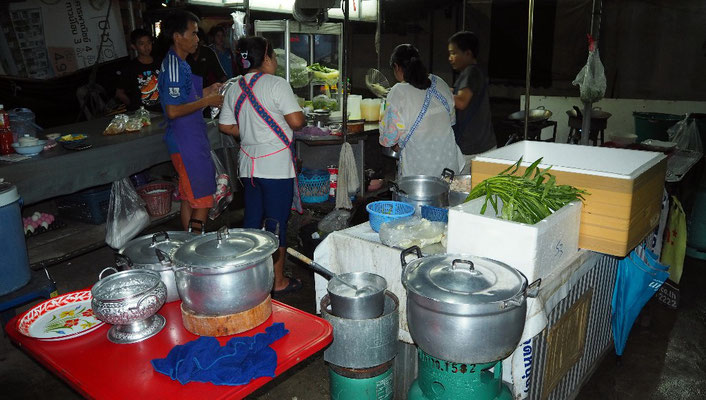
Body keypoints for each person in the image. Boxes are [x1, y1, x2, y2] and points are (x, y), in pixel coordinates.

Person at [218, 37, 305, 295]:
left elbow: (224, 125)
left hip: (248, 168)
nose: (276, 61)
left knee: (252, 223)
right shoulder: (277, 84)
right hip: (276, 167)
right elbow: (297, 121)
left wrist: (249, 133)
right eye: (275, 56)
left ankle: (250, 281)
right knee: (277, 223)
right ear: (266, 58)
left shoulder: (235, 87)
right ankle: (277, 282)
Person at [157, 10, 224, 231]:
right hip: (187, 143)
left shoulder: (181, 64)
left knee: (188, 198)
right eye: (193, 34)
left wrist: (206, 93)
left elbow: (185, 98)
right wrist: (208, 101)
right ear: (178, 36)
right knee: (203, 198)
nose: (197, 39)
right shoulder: (175, 66)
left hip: (189, 140)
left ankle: (189, 246)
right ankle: (195, 252)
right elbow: (173, 110)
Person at [379, 44, 464, 178]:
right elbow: (451, 120)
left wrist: (396, 144)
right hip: (449, 168)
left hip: (419, 173)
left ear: (396, 66)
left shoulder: (398, 92)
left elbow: (388, 139)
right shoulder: (440, 82)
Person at [448, 31, 496, 173]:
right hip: (483, 144)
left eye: (453, 53)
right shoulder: (474, 72)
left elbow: (462, 102)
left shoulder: (471, 72)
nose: (450, 58)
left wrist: (441, 93)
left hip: (474, 148)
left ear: (468, 53)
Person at [115, 29, 161, 112]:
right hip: (142, 116)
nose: (146, 47)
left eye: (149, 42)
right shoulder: (130, 68)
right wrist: (134, 106)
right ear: (134, 46)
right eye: (141, 44)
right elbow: (119, 93)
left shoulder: (160, 62)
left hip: (162, 111)